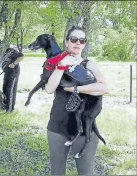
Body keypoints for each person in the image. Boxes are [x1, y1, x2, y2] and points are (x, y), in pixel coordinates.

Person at [45, 26, 109, 175]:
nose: (77, 42)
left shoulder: (89, 65)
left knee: (85, 172)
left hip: (83, 130)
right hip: (57, 127)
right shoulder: (57, 63)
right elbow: (49, 89)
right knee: (57, 172)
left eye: (82, 40)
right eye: (73, 39)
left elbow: (104, 87)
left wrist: (75, 89)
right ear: (67, 42)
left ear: (84, 44)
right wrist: (61, 66)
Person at [0, 46, 24, 112]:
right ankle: (4, 106)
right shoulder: (1, 52)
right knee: (4, 89)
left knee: (10, 91)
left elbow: (21, 56)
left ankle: (10, 109)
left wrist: (13, 63)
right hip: (6, 73)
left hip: (13, 73)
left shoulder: (11, 51)